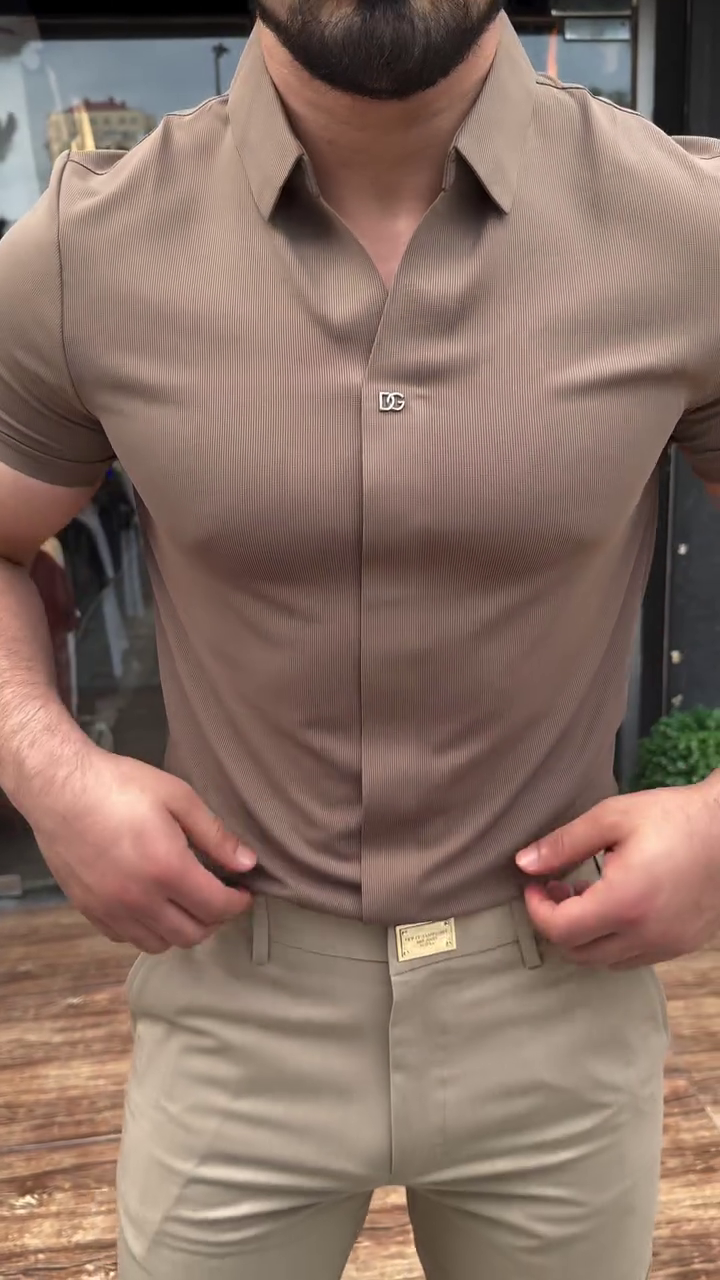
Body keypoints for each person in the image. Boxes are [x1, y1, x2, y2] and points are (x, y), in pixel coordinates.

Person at [0, 2, 719, 1277]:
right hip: (233, 1004)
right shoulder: (86, 250)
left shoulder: (687, 232)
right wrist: (48, 771)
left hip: (559, 1006)